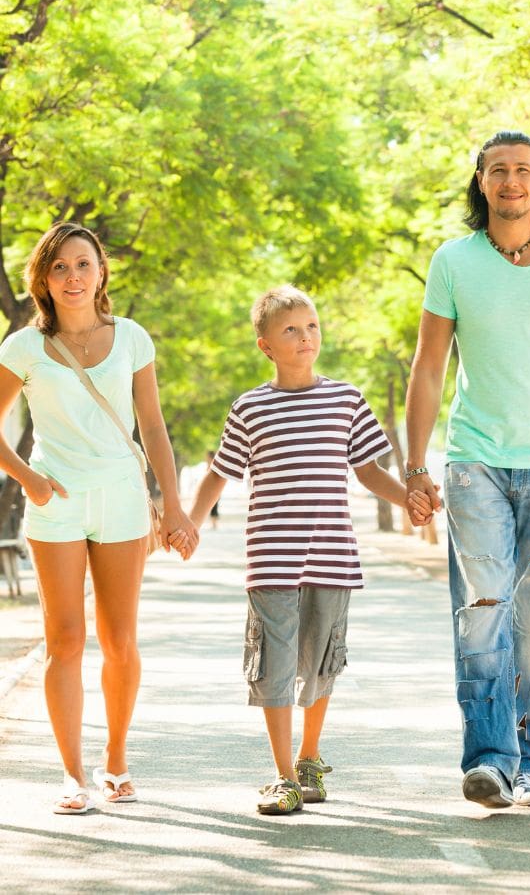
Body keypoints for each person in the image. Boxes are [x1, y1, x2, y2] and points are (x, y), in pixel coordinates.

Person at [183, 284, 433, 815]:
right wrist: (191, 524)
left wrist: (410, 495)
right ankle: (281, 777)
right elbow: (220, 473)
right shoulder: (249, 407)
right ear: (265, 345)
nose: (305, 337)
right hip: (270, 556)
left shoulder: (345, 399)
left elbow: (368, 470)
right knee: (273, 662)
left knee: (321, 660)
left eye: (312, 326)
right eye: (290, 330)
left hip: (332, 555)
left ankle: (309, 757)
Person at [404, 130, 530, 809]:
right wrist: (414, 463)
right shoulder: (454, 261)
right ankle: (490, 760)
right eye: (498, 171)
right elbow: (429, 368)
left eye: (522, 169)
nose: (511, 181)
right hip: (475, 464)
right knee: (482, 611)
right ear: (481, 182)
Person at [0, 222, 198, 814]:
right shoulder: (23, 348)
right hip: (55, 501)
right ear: (43, 278)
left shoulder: (132, 338)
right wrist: (28, 477)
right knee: (64, 641)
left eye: (82, 264)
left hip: (120, 499)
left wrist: (174, 505)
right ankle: (71, 775)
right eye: (59, 268)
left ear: (101, 271)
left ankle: (116, 761)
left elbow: (153, 426)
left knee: (120, 641)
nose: (72, 277)